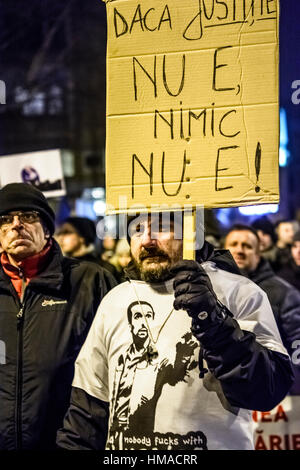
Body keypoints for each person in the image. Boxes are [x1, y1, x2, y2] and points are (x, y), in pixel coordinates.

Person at [57, 212, 293, 451]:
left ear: (191, 233)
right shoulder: (115, 301)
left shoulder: (239, 292)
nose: (147, 240)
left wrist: (214, 322)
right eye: (137, 230)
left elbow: (268, 390)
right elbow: (88, 409)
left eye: (161, 227)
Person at [0, 183, 117, 450]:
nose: (16, 225)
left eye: (28, 216)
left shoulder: (89, 281)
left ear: (47, 228)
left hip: (69, 442)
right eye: (5, 219)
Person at [224, 224, 300, 355]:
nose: (239, 250)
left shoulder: (284, 293)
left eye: (247, 246)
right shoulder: (209, 289)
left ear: (258, 255)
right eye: (233, 244)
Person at [56, 216, 120, 280]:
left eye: (67, 232)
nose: (61, 238)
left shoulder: (103, 269)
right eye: (59, 233)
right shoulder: (58, 267)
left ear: (82, 237)